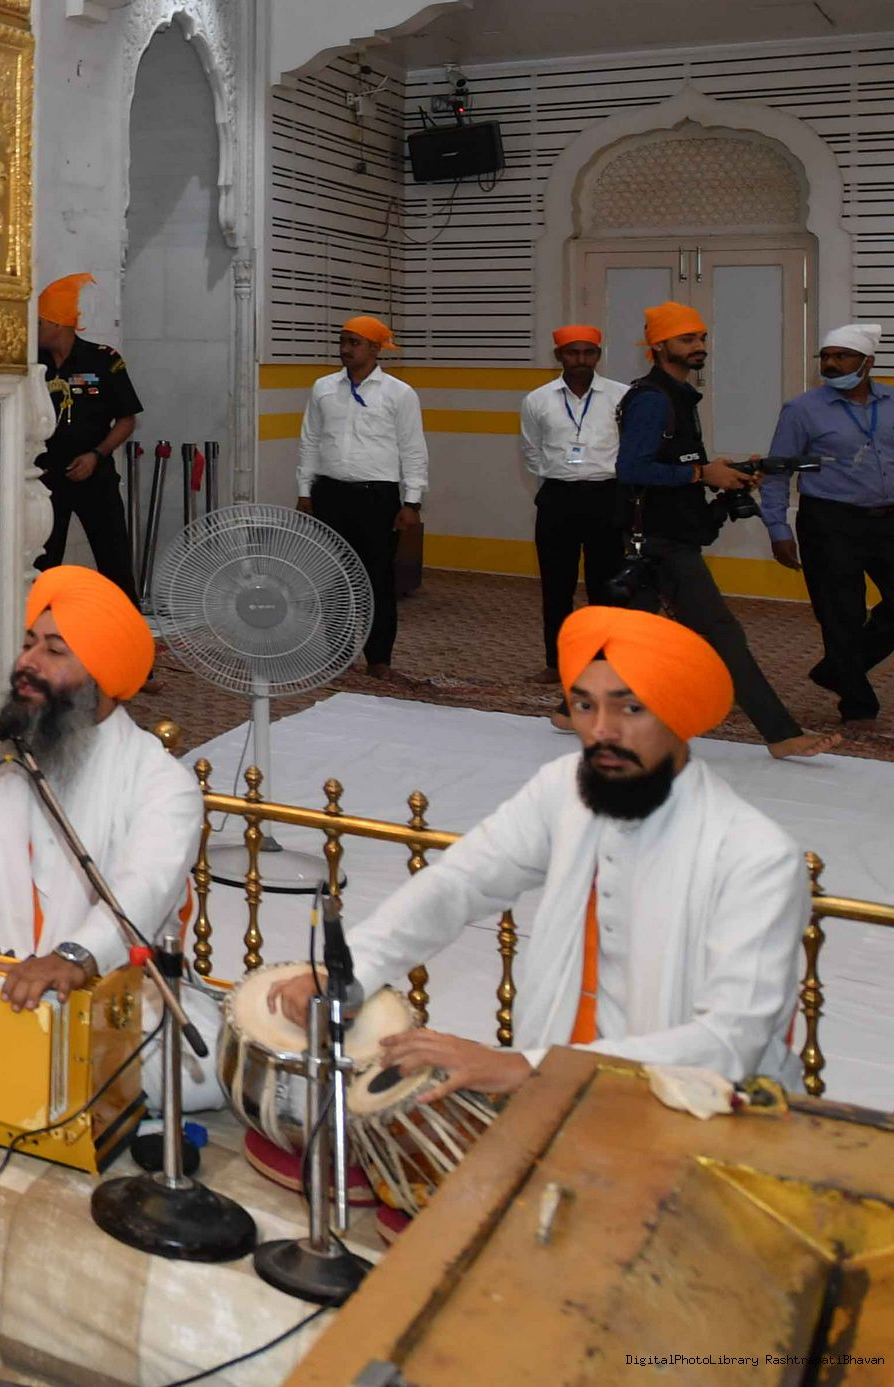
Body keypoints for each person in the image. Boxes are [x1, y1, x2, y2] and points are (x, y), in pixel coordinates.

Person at [282, 607, 811, 1090]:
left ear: (679, 715)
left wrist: (525, 1068)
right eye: (584, 705)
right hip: (551, 1087)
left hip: (699, 1114)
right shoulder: (566, 787)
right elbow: (460, 881)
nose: (601, 730)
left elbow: (730, 1041)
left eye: (631, 707)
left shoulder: (754, 857)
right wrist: (352, 969)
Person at [0, 567, 203, 1012]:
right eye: (28, 644)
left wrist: (75, 956)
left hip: (113, 1005)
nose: (28, 662)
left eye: (55, 651)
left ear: (102, 678)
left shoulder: (160, 782)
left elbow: (143, 893)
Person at [617, 303, 838, 760]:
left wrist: (725, 472)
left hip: (671, 533)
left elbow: (675, 464)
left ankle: (569, 711)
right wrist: (703, 474)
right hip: (659, 541)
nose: (699, 346)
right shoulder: (653, 400)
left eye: (701, 337)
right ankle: (781, 734)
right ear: (658, 347)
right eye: (687, 339)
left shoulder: (680, 396)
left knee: (629, 635)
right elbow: (631, 470)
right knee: (722, 633)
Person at [764, 322, 894, 725]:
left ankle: (837, 669)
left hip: (888, 519)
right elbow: (777, 471)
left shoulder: (891, 402)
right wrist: (778, 528)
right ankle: (857, 704)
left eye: (842, 356)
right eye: (826, 356)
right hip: (829, 521)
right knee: (841, 614)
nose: (831, 364)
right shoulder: (802, 410)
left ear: (868, 362)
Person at [295, 314, 426, 671]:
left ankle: (379, 659)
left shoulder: (399, 393)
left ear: (374, 349)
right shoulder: (323, 388)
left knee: (377, 578)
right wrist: (305, 491)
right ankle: (337, 653)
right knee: (332, 578)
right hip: (329, 494)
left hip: (377, 498)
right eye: (342, 341)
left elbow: (413, 449)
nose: (345, 349)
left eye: (354, 343)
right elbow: (310, 441)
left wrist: (412, 501)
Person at [520, 323, 631, 680]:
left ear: (598, 355)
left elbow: (630, 449)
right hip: (558, 499)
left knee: (606, 587)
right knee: (556, 587)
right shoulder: (537, 400)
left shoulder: (622, 396)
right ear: (559, 356)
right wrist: (562, 474)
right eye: (573, 352)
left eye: (589, 353)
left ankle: (604, 662)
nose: (581, 360)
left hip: (607, 497)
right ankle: (557, 663)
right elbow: (531, 451)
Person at [34, 272, 143, 579]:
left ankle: (122, 611)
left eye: (39, 323)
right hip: (45, 479)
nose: (33, 330)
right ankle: (44, 613)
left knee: (115, 564)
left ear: (57, 324)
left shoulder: (102, 360)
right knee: (42, 566)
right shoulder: (33, 363)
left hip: (94, 475)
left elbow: (127, 419)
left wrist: (96, 455)